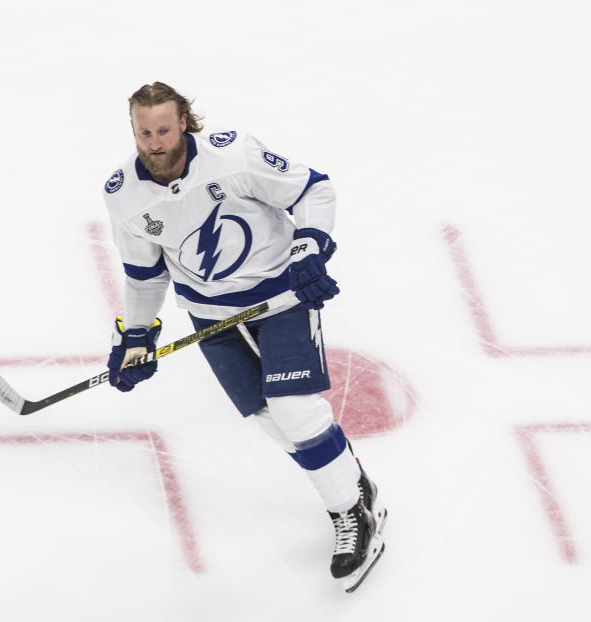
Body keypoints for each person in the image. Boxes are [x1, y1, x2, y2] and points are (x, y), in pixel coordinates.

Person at [101, 82, 386, 591]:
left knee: (296, 411)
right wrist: (137, 335)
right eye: (144, 131)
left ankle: (353, 515)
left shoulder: (233, 156)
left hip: (279, 297)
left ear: (184, 121)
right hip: (209, 316)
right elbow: (145, 276)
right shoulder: (123, 194)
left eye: (164, 129)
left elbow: (313, 188)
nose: (155, 141)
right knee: (270, 421)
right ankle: (350, 478)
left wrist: (310, 248)